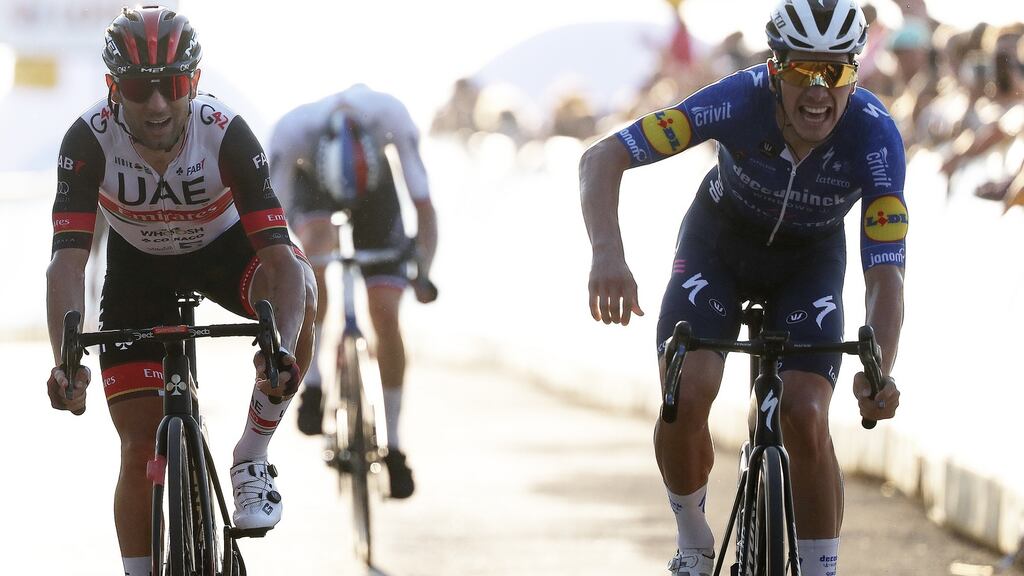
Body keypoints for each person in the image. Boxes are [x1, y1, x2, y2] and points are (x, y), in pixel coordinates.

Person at [579, 1, 904, 574]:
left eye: (837, 72)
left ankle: (821, 567)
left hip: (810, 264)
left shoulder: (876, 136)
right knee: (689, 394)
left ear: (855, 74)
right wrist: (608, 253)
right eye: (804, 70)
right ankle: (693, 541)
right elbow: (603, 156)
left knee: (806, 413)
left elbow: (885, 272)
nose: (819, 90)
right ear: (776, 69)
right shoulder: (735, 99)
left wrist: (881, 366)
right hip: (719, 247)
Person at [45, 7, 317, 575]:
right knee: (139, 447)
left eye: (172, 86)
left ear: (193, 82)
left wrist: (281, 348)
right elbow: (66, 265)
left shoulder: (226, 132)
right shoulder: (87, 140)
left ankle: (252, 455)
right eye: (140, 89)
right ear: (113, 88)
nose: (158, 105)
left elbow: (278, 260)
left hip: (222, 253)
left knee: (306, 285)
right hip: (137, 265)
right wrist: (65, 362)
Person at [268, 84, 438, 499]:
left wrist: (423, 272)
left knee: (385, 314)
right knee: (316, 253)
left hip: (378, 194)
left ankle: (394, 445)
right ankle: (314, 382)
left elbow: (424, 207)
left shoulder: (391, 116)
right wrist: (294, 274)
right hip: (312, 187)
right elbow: (271, 218)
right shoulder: (292, 133)